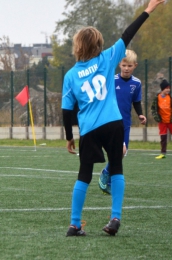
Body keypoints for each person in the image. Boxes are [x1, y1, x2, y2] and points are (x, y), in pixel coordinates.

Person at [62, 0, 164, 237]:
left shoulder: (70, 75)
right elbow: (128, 33)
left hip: (88, 129)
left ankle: (74, 224)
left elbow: (67, 111)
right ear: (99, 45)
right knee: (116, 169)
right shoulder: (107, 58)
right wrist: (148, 10)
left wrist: (69, 137)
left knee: (84, 175)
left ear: (77, 46)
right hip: (113, 124)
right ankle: (115, 217)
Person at [98, 50, 147, 195]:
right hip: (111, 121)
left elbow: (136, 101)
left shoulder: (136, 84)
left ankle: (107, 174)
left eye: (129, 66)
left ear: (135, 66)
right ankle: (109, 178)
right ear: (120, 64)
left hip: (125, 123)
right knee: (119, 151)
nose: (126, 68)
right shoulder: (112, 80)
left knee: (122, 153)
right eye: (124, 65)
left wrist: (140, 114)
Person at [151, 79, 172, 159]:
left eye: (169, 88)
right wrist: (156, 117)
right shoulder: (157, 98)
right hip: (162, 122)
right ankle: (163, 153)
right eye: (166, 88)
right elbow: (153, 109)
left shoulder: (170, 97)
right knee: (163, 138)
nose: (168, 89)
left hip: (170, 121)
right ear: (162, 89)